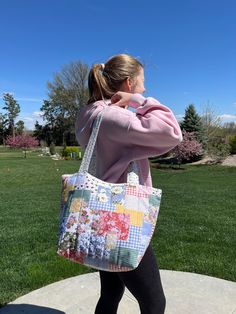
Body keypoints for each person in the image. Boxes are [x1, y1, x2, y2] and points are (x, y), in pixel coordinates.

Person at [75, 54, 182, 314]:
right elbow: (171, 133)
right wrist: (138, 101)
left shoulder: (88, 113)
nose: (145, 88)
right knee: (154, 301)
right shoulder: (115, 118)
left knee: (111, 292)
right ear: (128, 82)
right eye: (142, 82)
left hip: (98, 217)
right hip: (123, 220)